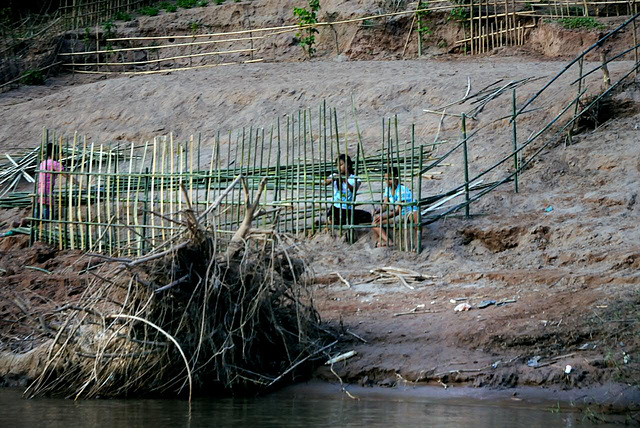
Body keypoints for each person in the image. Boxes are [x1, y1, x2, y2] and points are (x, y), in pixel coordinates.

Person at [372, 166, 419, 247]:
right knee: (374, 223)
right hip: (397, 216)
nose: (387, 181)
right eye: (386, 179)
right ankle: (388, 241)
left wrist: (383, 216)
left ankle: (417, 244)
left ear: (396, 178)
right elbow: (385, 205)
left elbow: (398, 211)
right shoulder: (387, 189)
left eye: (390, 178)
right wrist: (378, 210)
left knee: (416, 217)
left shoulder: (402, 189)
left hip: (407, 213)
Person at [324, 154, 372, 226]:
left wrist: (346, 182)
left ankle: (336, 221)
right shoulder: (334, 176)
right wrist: (333, 178)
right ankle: (336, 220)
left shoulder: (354, 178)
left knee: (367, 216)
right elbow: (324, 183)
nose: (339, 167)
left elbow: (354, 189)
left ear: (348, 165)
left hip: (347, 209)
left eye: (341, 165)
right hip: (336, 208)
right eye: (337, 165)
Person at [35, 143, 65, 221]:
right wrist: (81, 185)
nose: (60, 156)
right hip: (47, 192)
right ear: (54, 154)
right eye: (59, 154)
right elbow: (68, 176)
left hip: (39, 191)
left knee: (38, 216)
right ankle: (27, 221)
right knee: (47, 217)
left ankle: (24, 222)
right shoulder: (54, 163)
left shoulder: (43, 163)